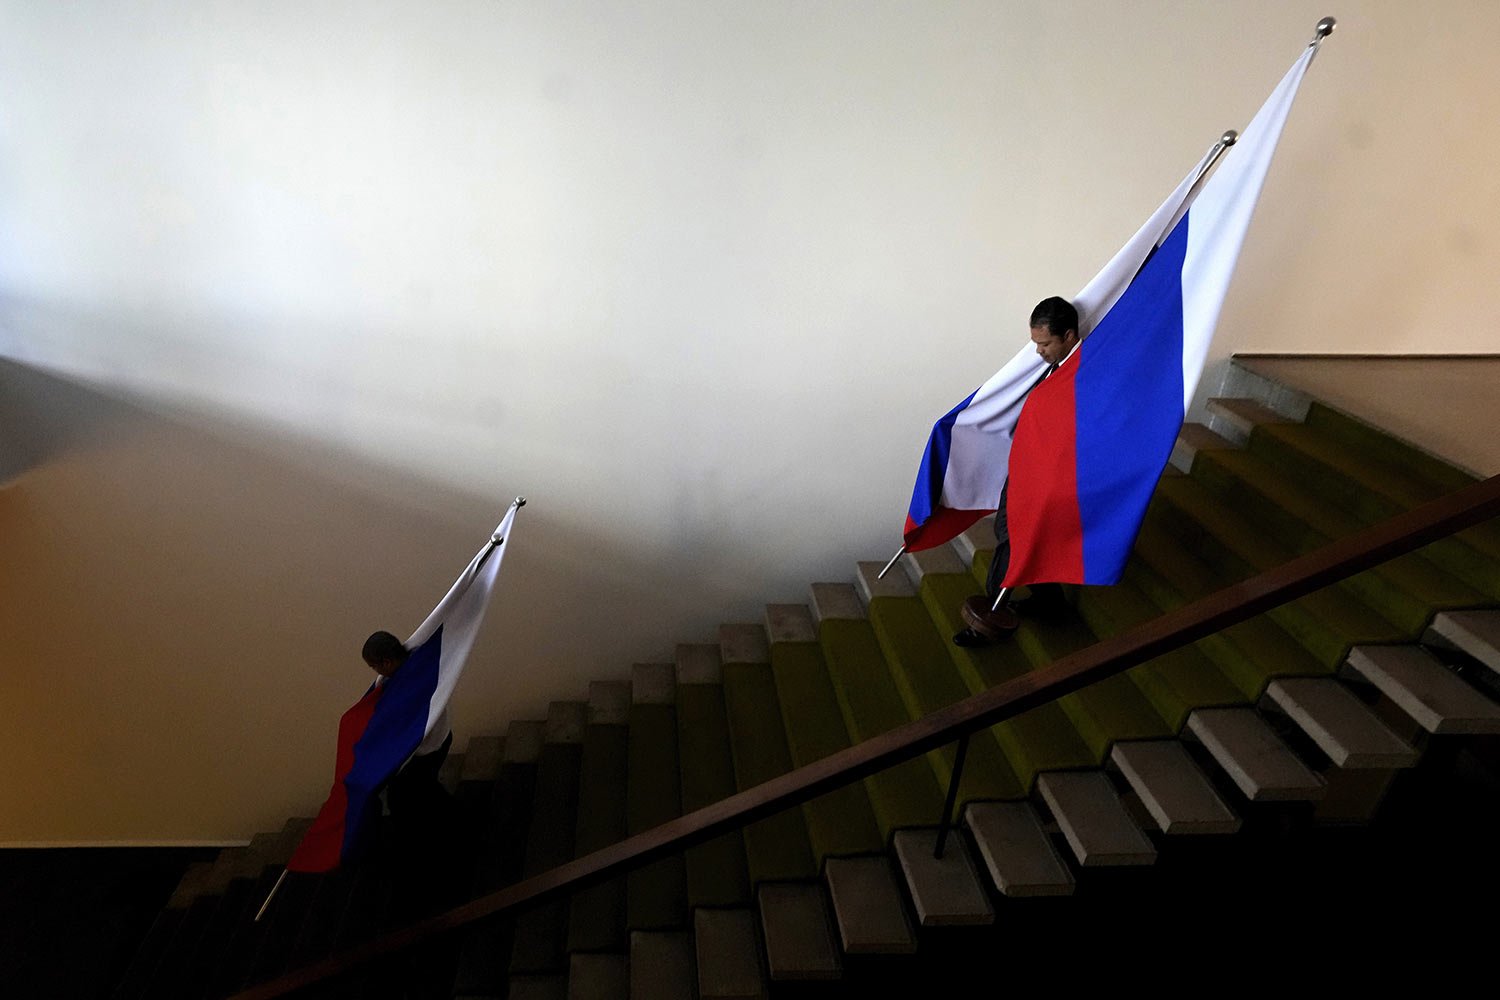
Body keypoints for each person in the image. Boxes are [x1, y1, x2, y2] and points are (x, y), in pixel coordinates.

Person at [952, 296, 1077, 648]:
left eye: (1045, 343)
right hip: (1028, 468)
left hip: (1052, 477)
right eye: (1035, 343)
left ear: (1068, 336)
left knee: (1012, 536)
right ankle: (1049, 602)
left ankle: (987, 620)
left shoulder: (1083, 370)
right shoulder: (1051, 366)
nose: (1038, 351)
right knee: (1016, 533)